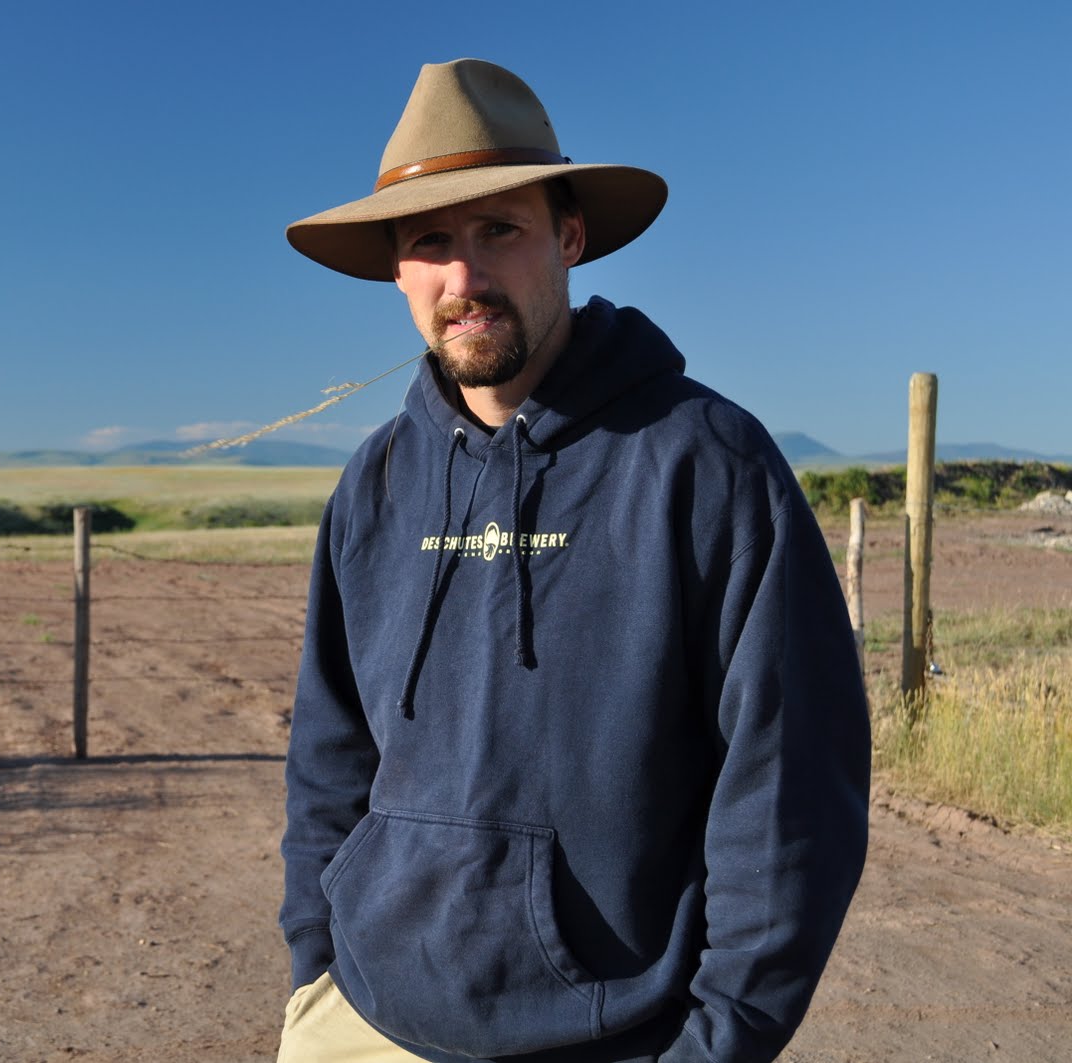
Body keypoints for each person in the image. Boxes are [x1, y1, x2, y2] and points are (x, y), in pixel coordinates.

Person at [276, 59, 871, 1063]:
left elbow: (789, 789)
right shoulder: (375, 482)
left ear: (569, 237)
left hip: (606, 1039)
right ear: (396, 269)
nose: (464, 278)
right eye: (430, 243)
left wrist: (717, 1040)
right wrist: (315, 972)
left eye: (498, 230)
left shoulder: (702, 463)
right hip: (364, 1024)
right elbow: (328, 760)